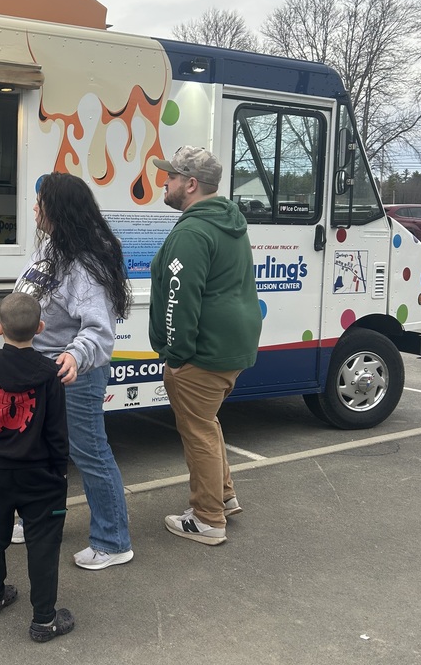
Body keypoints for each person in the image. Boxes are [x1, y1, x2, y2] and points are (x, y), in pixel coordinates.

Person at [15, 172, 134, 570]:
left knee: (91, 453)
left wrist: (75, 355)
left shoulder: (83, 263)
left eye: (41, 202)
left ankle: (113, 540)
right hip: (43, 371)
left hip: (74, 374)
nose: (35, 207)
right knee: (45, 451)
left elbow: (99, 328)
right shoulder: (52, 249)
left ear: (58, 211)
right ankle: (42, 518)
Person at [148, 146, 262, 546]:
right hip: (232, 346)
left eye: (171, 176)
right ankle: (224, 498)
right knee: (206, 424)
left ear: (191, 184)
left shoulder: (192, 232)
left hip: (202, 353)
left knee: (197, 431)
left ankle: (208, 518)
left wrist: (176, 357)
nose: (165, 181)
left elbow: (181, 301)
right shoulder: (228, 222)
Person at [0, 292, 75, 643]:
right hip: (41, 476)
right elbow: (57, 430)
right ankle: (44, 620)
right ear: (40, 328)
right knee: (43, 545)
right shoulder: (49, 373)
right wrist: (60, 471)